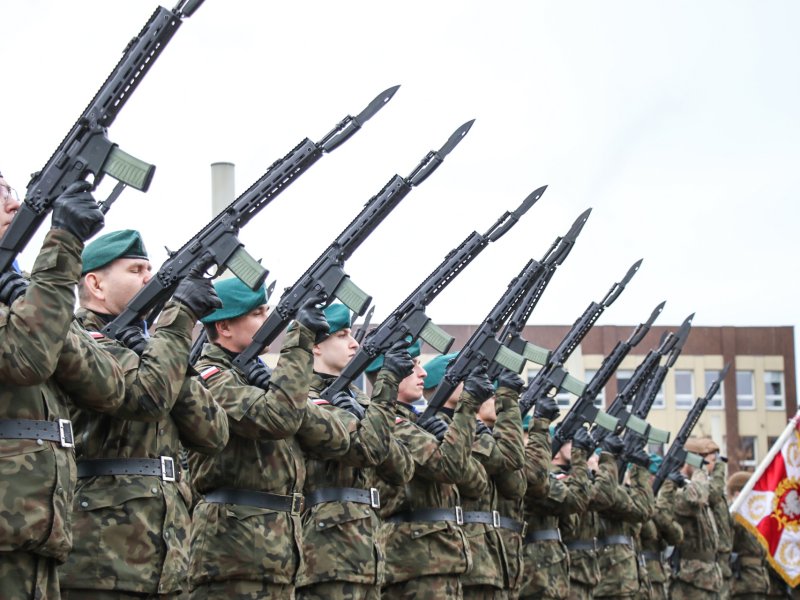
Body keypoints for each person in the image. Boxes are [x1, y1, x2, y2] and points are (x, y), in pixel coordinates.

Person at [59, 229, 230, 599]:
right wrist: (178, 319)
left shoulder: (155, 346)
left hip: (166, 553)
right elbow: (147, 398)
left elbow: (213, 433)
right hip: (103, 551)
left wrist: (162, 350)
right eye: (135, 270)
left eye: (150, 269)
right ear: (96, 284)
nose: (149, 279)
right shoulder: (78, 338)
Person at [0, 178, 127, 599]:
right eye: (0, 195)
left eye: (12, 192)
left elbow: (107, 386)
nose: (15, 206)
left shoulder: (24, 299)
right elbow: (28, 357)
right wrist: (62, 244)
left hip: (37, 530)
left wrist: (30, 299)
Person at [188, 279, 350, 598]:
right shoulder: (209, 378)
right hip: (233, 550)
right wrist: (299, 343)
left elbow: (336, 439)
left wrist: (277, 389)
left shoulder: (264, 381)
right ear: (224, 326)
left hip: (279, 549)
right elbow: (279, 418)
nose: (269, 321)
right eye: (257, 313)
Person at [297, 303, 415, 599]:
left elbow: (402, 469)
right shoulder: (302, 396)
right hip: (326, 550)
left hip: (367, 547)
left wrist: (365, 414)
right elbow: (367, 450)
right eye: (341, 335)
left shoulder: (359, 400)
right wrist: (386, 386)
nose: (353, 344)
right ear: (315, 347)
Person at [374, 345, 492, 599]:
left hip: (442, 553)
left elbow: (477, 483)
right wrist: (468, 408)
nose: (422, 373)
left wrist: (448, 435)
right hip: (415, 556)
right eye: (412, 365)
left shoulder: (419, 422)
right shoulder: (392, 424)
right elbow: (450, 469)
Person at [519, 398, 593, 600]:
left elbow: (569, 524)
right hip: (532, 574)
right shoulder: (527, 472)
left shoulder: (547, 475)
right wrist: (580, 461)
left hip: (551, 571)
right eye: (530, 437)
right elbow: (576, 500)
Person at [669, 437, 723, 600]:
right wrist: (699, 469)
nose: (710, 467)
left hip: (707, 578)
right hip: (689, 581)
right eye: (710, 461)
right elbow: (695, 499)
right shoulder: (676, 488)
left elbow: (713, 494)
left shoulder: (698, 487)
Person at [726, 471, 770, 599]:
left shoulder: (753, 516)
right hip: (742, 581)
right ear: (739, 494)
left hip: (758, 580)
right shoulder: (734, 516)